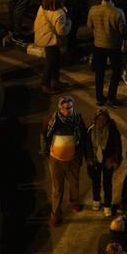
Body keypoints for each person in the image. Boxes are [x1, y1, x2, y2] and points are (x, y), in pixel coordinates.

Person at [41, 95, 89, 226]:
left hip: (73, 159)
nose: (69, 110)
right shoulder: (52, 120)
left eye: (71, 107)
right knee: (57, 188)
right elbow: (44, 136)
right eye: (66, 108)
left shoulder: (78, 119)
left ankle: (74, 201)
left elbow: (84, 138)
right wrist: (46, 153)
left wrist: (86, 156)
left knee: (74, 183)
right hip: (56, 160)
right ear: (60, 109)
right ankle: (55, 213)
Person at [88, 0, 127, 106]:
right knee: (116, 71)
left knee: (100, 71)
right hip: (114, 45)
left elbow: (90, 26)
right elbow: (123, 29)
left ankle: (99, 97)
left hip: (98, 44)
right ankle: (111, 97)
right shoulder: (118, 12)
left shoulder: (93, 10)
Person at [35, 0, 72, 94]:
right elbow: (62, 31)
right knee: (51, 62)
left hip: (43, 36)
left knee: (54, 60)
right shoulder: (58, 14)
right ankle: (46, 84)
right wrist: (69, 23)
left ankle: (55, 81)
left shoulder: (43, 7)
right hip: (51, 40)